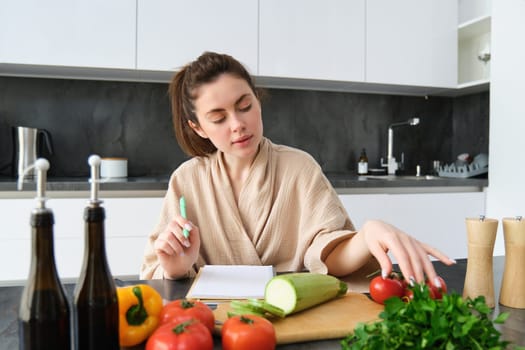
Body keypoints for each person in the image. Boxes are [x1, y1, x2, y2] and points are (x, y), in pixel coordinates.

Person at [140, 52, 455, 288]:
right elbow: (158, 273)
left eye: (244, 105)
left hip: (295, 319)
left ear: (258, 100)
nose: (238, 125)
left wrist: (366, 235)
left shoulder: (299, 167)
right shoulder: (187, 180)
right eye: (219, 117)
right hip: (215, 327)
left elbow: (329, 254)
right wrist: (176, 268)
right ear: (198, 127)